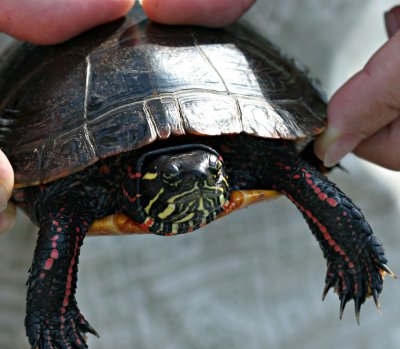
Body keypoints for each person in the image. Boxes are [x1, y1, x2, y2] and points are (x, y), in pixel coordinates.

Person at [0, 0, 398, 233]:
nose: (197, 179)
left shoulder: (243, 157)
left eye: (211, 172)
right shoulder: (92, 187)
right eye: (174, 179)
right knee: (62, 208)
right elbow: (59, 213)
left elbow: (300, 171)